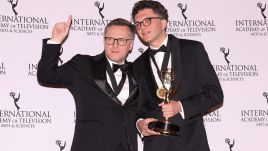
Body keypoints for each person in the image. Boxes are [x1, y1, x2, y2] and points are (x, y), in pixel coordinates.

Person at [131, 0, 224, 151]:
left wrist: (180, 106)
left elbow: (215, 95)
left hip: (191, 143)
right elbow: (138, 108)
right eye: (138, 23)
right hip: (155, 145)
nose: (142, 27)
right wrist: (140, 123)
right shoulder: (136, 65)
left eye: (147, 20)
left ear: (163, 22)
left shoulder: (193, 50)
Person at [37, 16, 138, 151]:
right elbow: (46, 76)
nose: (115, 45)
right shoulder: (83, 65)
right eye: (110, 39)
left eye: (121, 40)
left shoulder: (139, 72)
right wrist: (56, 40)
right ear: (104, 41)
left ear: (131, 44)